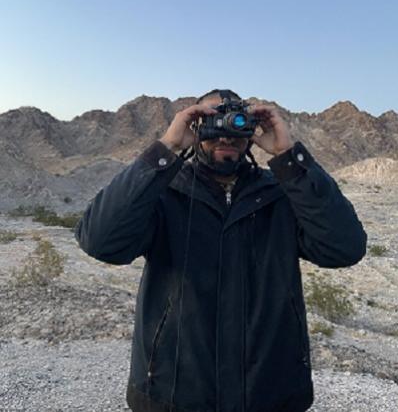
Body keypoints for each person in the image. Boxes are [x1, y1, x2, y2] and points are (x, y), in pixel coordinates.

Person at [74, 88, 367, 412]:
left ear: (252, 131)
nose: (225, 133)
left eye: (237, 122)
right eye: (212, 120)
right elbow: (99, 241)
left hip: (269, 396)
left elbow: (346, 247)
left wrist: (289, 156)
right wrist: (166, 148)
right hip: (173, 396)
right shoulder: (163, 193)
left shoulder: (282, 196)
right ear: (195, 126)